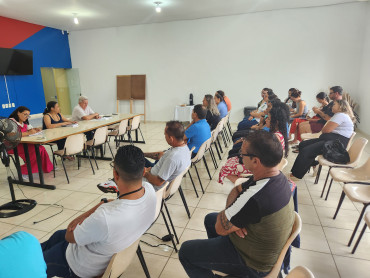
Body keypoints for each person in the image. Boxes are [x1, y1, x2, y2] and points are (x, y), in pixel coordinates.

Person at [179, 130, 295, 277]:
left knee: (185, 252)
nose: (240, 155)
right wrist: (232, 219)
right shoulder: (275, 176)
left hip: (255, 264)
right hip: (262, 247)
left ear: (255, 161)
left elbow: (221, 228)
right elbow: (238, 188)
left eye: (243, 153)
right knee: (210, 219)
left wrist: (229, 221)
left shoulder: (256, 196)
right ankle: (221, 258)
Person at [41, 145, 156, 278]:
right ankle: (25, 253)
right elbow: (124, 205)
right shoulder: (149, 190)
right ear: (143, 171)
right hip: (108, 248)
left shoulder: (104, 217)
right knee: (56, 236)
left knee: (38, 263)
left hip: (78, 266)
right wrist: (106, 203)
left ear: (115, 174)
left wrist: (99, 205)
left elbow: (69, 236)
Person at [98, 121, 191, 193]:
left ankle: (117, 184)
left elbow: (158, 182)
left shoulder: (173, 157)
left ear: (171, 138)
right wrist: (146, 162)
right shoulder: (184, 148)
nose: (164, 137)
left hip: (150, 185)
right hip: (153, 174)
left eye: (165, 135)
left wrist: (145, 173)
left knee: (127, 163)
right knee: (134, 157)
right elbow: (161, 156)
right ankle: (114, 182)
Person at [219, 101, 289, 184]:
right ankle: (244, 183)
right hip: (263, 164)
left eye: (269, 118)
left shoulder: (275, 137)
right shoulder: (278, 133)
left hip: (262, 167)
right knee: (235, 157)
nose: (266, 120)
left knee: (226, 168)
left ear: (276, 122)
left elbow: (262, 155)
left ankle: (243, 186)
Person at [290, 99, 355, 180]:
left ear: (340, 106)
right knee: (303, 144)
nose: (332, 106)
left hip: (336, 144)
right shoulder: (340, 115)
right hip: (331, 140)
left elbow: (325, 130)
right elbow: (326, 130)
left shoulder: (341, 115)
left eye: (334, 104)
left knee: (307, 150)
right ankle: (314, 163)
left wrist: (326, 130)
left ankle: (296, 175)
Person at [8, 106, 53, 179]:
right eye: (25, 114)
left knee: (41, 148)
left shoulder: (24, 121)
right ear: (18, 113)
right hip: (13, 145)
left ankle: (46, 168)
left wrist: (35, 129)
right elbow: (11, 135)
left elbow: (29, 129)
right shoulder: (11, 121)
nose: (26, 117)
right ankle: (23, 171)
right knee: (34, 151)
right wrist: (28, 133)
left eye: (28, 115)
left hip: (23, 143)